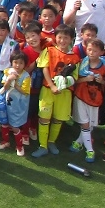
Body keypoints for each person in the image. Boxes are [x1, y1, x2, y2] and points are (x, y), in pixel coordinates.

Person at [32, 24, 81, 158]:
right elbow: (45, 68)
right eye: (60, 37)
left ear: (71, 39)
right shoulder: (49, 51)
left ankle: (51, 142)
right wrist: (52, 85)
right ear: (56, 37)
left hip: (64, 93)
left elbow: (75, 77)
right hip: (48, 90)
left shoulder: (75, 58)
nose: (62, 41)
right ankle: (43, 146)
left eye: (66, 38)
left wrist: (65, 83)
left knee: (58, 119)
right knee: (44, 117)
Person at [70, 38, 105, 163]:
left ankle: (78, 142)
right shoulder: (82, 63)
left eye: (95, 50)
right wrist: (85, 79)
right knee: (85, 123)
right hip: (81, 97)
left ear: (101, 52)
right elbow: (74, 80)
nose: (91, 52)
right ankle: (90, 150)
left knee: (90, 124)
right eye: (89, 49)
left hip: (95, 99)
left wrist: (102, 82)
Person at [0, 52, 32, 155]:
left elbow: (24, 91)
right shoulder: (7, 72)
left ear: (25, 64)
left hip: (18, 105)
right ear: (11, 62)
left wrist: (14, 82)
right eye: (15, 62)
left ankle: (20, 146)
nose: (17, 65)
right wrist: (9, 79)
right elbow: (5, 87)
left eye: (21, 63)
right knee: (4, 123)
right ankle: (5, 141)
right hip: (6, 103)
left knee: (15, 126)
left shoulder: (26, 76)